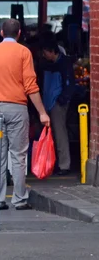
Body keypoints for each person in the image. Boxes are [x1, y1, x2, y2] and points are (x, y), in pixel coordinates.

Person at [0, 19, 51, 211]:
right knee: (18, 155)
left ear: (1, 33)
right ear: (19, 33)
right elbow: (31, 86)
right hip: (17, 109)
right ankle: (19, 199)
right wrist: (42, 112)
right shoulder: (23, 52)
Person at [40, 39, 75, 175]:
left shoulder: (63, 64)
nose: (44, 56)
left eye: (45, 53)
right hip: (50, 103)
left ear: (52, 51)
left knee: (60, 134)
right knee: (54, 135)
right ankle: (55, 163)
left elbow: (69, 85)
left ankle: (64, 165)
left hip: (57, 104)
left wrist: (61, 100)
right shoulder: (50, 64)